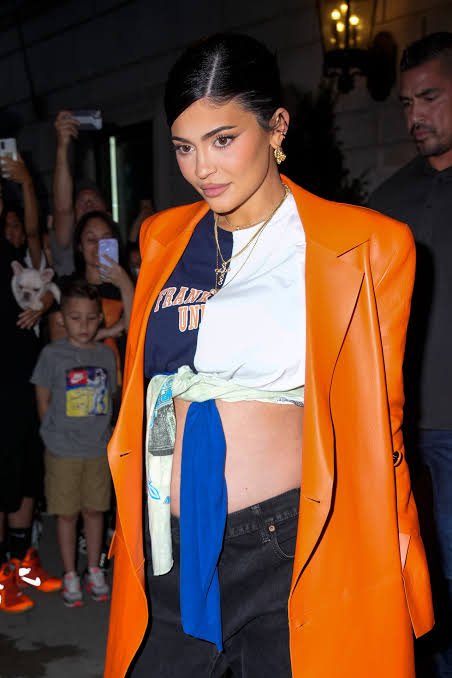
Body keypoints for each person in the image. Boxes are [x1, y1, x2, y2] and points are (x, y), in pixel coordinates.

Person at [105, 34, 434, 678]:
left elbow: (383, 421)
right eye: (184, 147)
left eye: (223, 139)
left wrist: (399, 551)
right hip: (167, 538)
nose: (202, 168)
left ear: (276, 126)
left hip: (286, 543)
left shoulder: (364, 244)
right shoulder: (163, 237)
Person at [368, 31, 452, 678]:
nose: (414, 115)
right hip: (397, 427)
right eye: (405, 103)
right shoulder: (387, 202)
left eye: (429, 97)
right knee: (414, 585)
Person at [31, 279, 117, 607]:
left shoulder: (105, 355)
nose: (84, 325)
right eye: (76, 317)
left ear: (100, 318)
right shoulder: (52, 354)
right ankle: (70, 572)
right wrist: (50, 435)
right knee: (66, 514)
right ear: (62, 319)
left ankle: (94, 568)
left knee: (95, 511)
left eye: (91, 318)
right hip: (63, 451)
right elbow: (42, 398)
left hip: (97, 449)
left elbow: (108, 397)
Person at [0, 161, 61, 614]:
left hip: (24, 381)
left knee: (25, 475)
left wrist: (24, 182)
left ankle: (21, 562)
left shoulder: (11, 253)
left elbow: (37, 238)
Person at [50, 210, 134, 385]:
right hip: (77, 384)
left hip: (125, 382)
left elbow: (137, 334)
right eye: (91, 240)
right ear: (80, 246)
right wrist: (108, 332)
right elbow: (59, 343)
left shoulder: (130, 284)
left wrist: (125, 284)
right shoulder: (66, 286)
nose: (99, 246)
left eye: (106, 239)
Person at [52, 110, 109, 276]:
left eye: (94, 199)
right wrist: (62, 147)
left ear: (108, 211)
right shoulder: (68, 240)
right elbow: (63, 208)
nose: (89, 204)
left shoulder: (118, 240)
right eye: (81, 202)